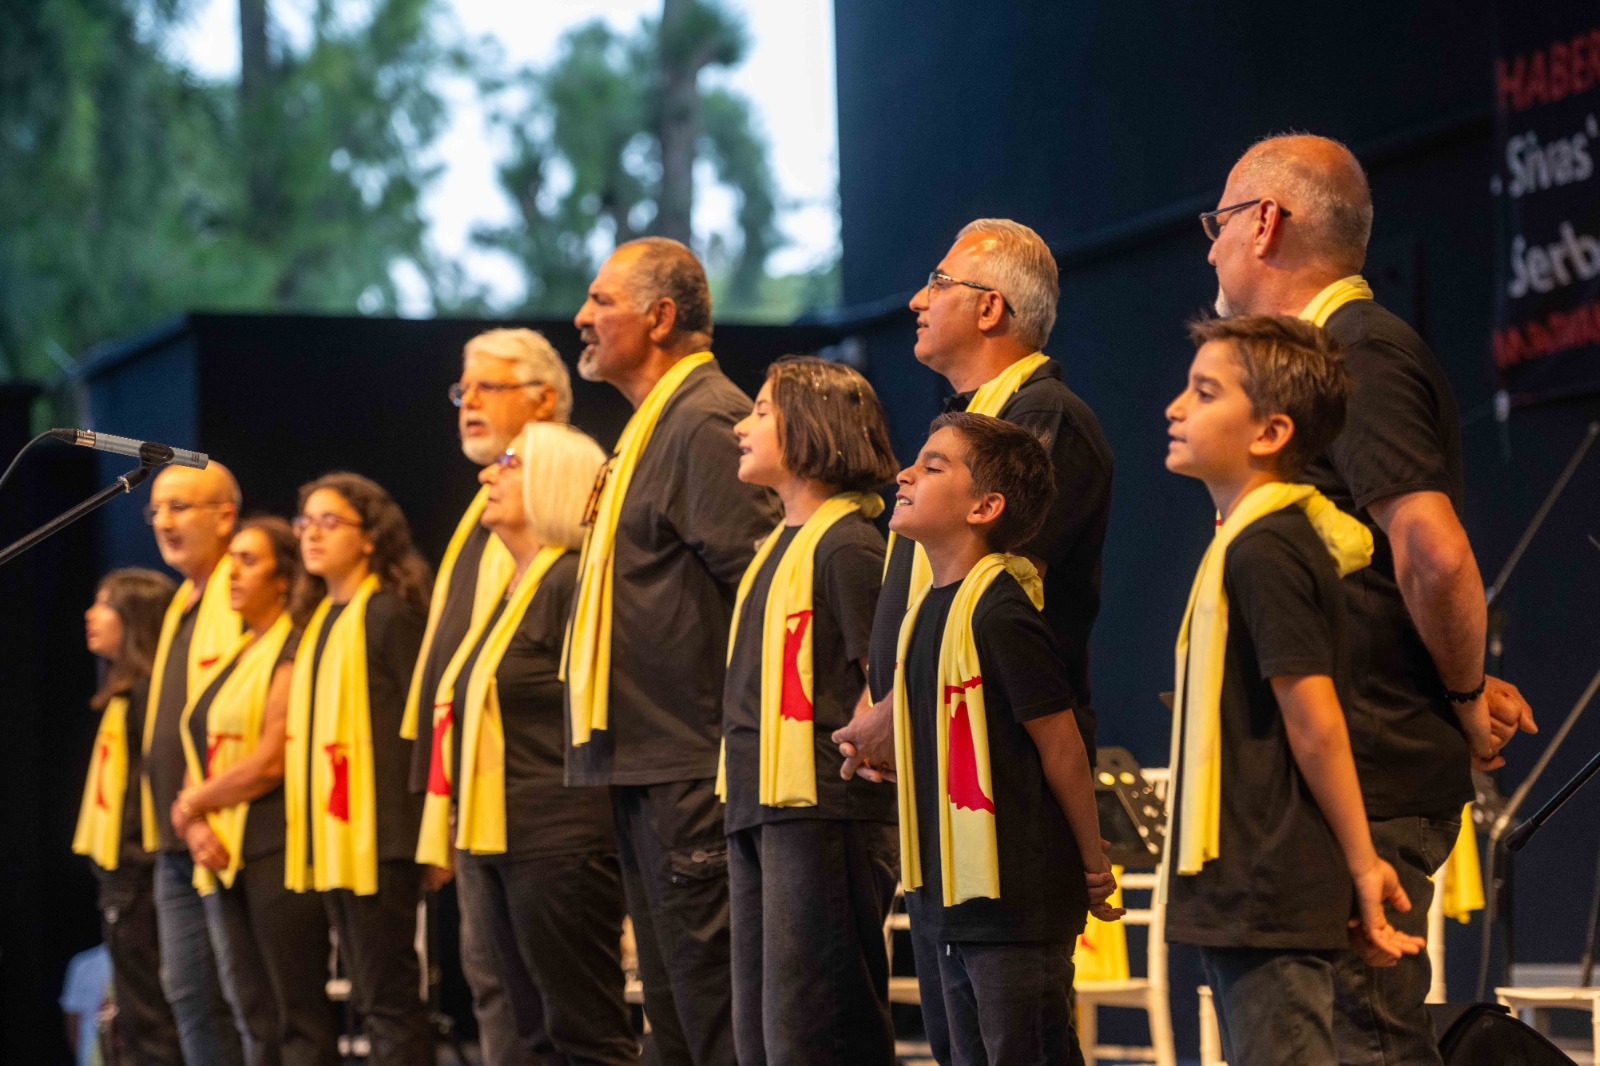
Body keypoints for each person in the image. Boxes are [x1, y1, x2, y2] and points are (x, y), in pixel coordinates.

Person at [1203, 133, 1537, 1063]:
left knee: (1367, 1047)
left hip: (1368, 784)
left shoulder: (1360, 352)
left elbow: (1432, 551)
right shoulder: (1327, 356)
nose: (1210, 247)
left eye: (1219, 222)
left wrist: (1466, 696)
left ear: (1265, 222)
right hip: (1327, 786)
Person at [1162, 314, 1427, 1065]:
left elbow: (1316, 724)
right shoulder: (1250, 541)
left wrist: (1362, 863)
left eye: (1204, 392)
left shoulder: (1268, 548)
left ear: (1271, 431)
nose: (1176, 407)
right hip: (1247, 888)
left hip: (1269, 884)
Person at [564, 236, 780, 1065]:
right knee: (677, 1025)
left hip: (693, 764)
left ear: (659, 318)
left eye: (600, 301)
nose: (581, 318)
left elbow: (765, 587)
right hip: (649, 764)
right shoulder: (654, 427)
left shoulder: (703, 421)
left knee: (712, 1021)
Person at [838, 217, 1112, 789]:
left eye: (938, 283)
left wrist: (898, 710)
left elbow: (994, 589)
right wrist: (878, 700)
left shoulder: (1041, 418)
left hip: (1004, 750)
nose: (916, 300)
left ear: (990, 309)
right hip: (945, 731)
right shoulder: (973, 421)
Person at [887, 411, 1120, 1066]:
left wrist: (1093, 867)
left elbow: (1062, 746)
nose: (906, 473)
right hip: (947, 901)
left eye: (933, 467)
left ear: (986, 506)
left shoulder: (1003, 611)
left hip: (1017, 902)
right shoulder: (928, 611)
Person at [419, 420, 636, 1065]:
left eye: (510, 463)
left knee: (584, 1034)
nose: (487, 472)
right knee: (527, 1033)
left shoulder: (570, 582)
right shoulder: (515, 587)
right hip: (496, 839)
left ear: (555, 480)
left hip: (558, 843)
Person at [722, 357, 901, 1066]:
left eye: (762, 410)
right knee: (764, 1033)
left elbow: (883, 681)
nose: (743, 425)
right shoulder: (778, 545)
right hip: (759, 800)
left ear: (811, 428)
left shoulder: (850, 544)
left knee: (818, 1026)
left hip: (822, 811)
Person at [401, 327, 573, 1066]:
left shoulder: (559, 500)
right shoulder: (490, 502)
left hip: (542, 798)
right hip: (475, 795)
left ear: (545, 398)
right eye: (461, 389)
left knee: (552, 1007)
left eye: (487, 386)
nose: (467, 401)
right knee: (493, 993)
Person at [176, 517, 339, 1066]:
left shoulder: (294, 648)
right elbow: (197, 750)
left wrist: (195, 804)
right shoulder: (236, 653)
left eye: (248, 560)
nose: (232, 573)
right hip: (222, 852)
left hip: (277, 847)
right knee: (251, 1011)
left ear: (284, 576)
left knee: (296, 1014)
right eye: (232, 560)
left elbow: (271, 759)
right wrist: (194, 824)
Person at [284, 473, 432, 1066]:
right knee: (369, 997)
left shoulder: (390, 615)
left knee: (389, 998)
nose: (312, 535)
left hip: (385, 834)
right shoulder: (320, 621)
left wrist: (432, 832)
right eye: (304, 523)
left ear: (369, 538)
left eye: (329, 522)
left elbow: (421, 725)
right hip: (335, 834)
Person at [140, 462, 247, 1066]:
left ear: (225, 516)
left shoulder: (239, 590)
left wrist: (199, 808)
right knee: (189, 996)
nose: (165, 522)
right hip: (176, 838)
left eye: (181, 507)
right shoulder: (184, 597)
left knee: (242, 1001)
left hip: (221, 831)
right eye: (157, 509)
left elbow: (240, 715)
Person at [73, 566, 182, 1065]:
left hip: (142, 873)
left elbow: (149, 794)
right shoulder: (122, 694)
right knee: (137, 1017)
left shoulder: (149, 695)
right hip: (123, 874)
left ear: (134, 618)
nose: (91, 615)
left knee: (151, 1014)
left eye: (104, 604)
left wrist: (133, 861)